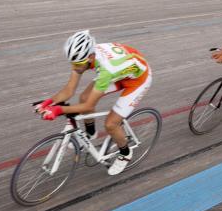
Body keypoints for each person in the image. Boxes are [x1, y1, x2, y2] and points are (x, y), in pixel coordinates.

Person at [35, 30, 152, 176]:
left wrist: (58, 110)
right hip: (120, 71)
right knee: (84, 97)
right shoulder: (84, 57)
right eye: (72, 63)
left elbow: (88, 107)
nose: (75, 68)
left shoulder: (105, 70)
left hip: (138, 81)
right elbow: (69, 91)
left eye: (78, 64)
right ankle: (91, 133)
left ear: (90, 57)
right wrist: (48, 102)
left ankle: (125, 153)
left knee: (111, 124)